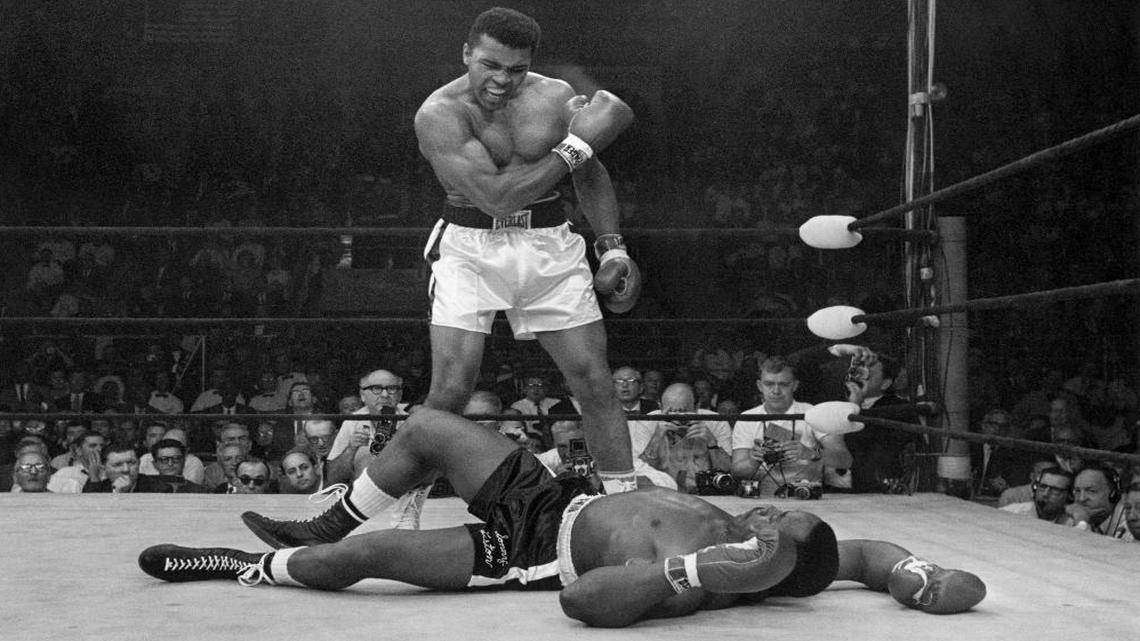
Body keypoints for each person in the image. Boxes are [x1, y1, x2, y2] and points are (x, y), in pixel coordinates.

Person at [140, 409, 987, 626]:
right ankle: (316, 522)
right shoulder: (779, 542)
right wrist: (923, 577)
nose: (766, 506)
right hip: (554, 490)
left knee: (363, 563)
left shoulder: (707, 582)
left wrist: (697, 574)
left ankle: (243, 566)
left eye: (772, 525)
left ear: (766, 558)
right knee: (432, 424)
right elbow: (869, 551)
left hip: (530, 548)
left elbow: (580, 605)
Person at [412, 6, 638, 494]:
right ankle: (405, 508)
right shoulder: (440, 114)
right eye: (490, 65)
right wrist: (577, 145)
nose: (501, 80)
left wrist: (613, 248)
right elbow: (496, 199)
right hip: (471, 246)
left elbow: (590, 174)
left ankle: (624, 504)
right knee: (450, 391)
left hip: (549, 242)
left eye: (515, 70)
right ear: (467, 52)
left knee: (594, 382)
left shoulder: (553, 97)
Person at [731, 357, 852, 496]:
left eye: (783, 384)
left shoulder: (815, 414)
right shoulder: (746, 418)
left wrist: (811, 453)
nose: (776, 391)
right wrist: (753, 460)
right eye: (769, 384)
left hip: (805, 497)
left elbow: (845, 460)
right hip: (759, 498)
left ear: (795, 385)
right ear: (759, 386)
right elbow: (737, 473)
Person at [631, 383, 732, 493]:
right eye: (671, 411)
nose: (677, 417)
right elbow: (640, 473)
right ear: (660, 406)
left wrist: (712, 443)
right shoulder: (647, 423)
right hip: (662, 495)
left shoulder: (716, 422)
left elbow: (727, 471)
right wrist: (656, 437)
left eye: (683, 411)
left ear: (697, 406)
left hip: (706, 494)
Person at [998, 466, 1078, 525]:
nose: (1045, 494)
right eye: (1042, 487)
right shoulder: (1011, 513)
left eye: (1055, 490)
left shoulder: (1073, 523)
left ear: (1069, 495)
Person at [1071, 464, 1128, 537]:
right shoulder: (1076, 514)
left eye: (1091, 491)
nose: (1081, 499)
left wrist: (1081, 523)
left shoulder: (1131, 522)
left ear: (1113, 494)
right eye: (1077, 491)